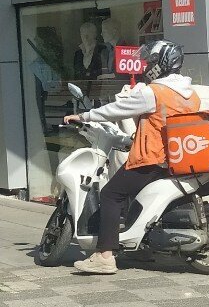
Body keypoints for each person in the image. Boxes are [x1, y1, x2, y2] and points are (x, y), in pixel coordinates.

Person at [63, 40, 200, 275]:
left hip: (152, 159)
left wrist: (84, 116)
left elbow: (116, 110)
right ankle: (140, 247)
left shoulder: (153, 92)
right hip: (177, 158)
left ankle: (105, 256)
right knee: (135, 197)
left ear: (162, 63)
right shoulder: (190, 94)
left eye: (151, 61)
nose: (147, 65)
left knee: (111, 194)